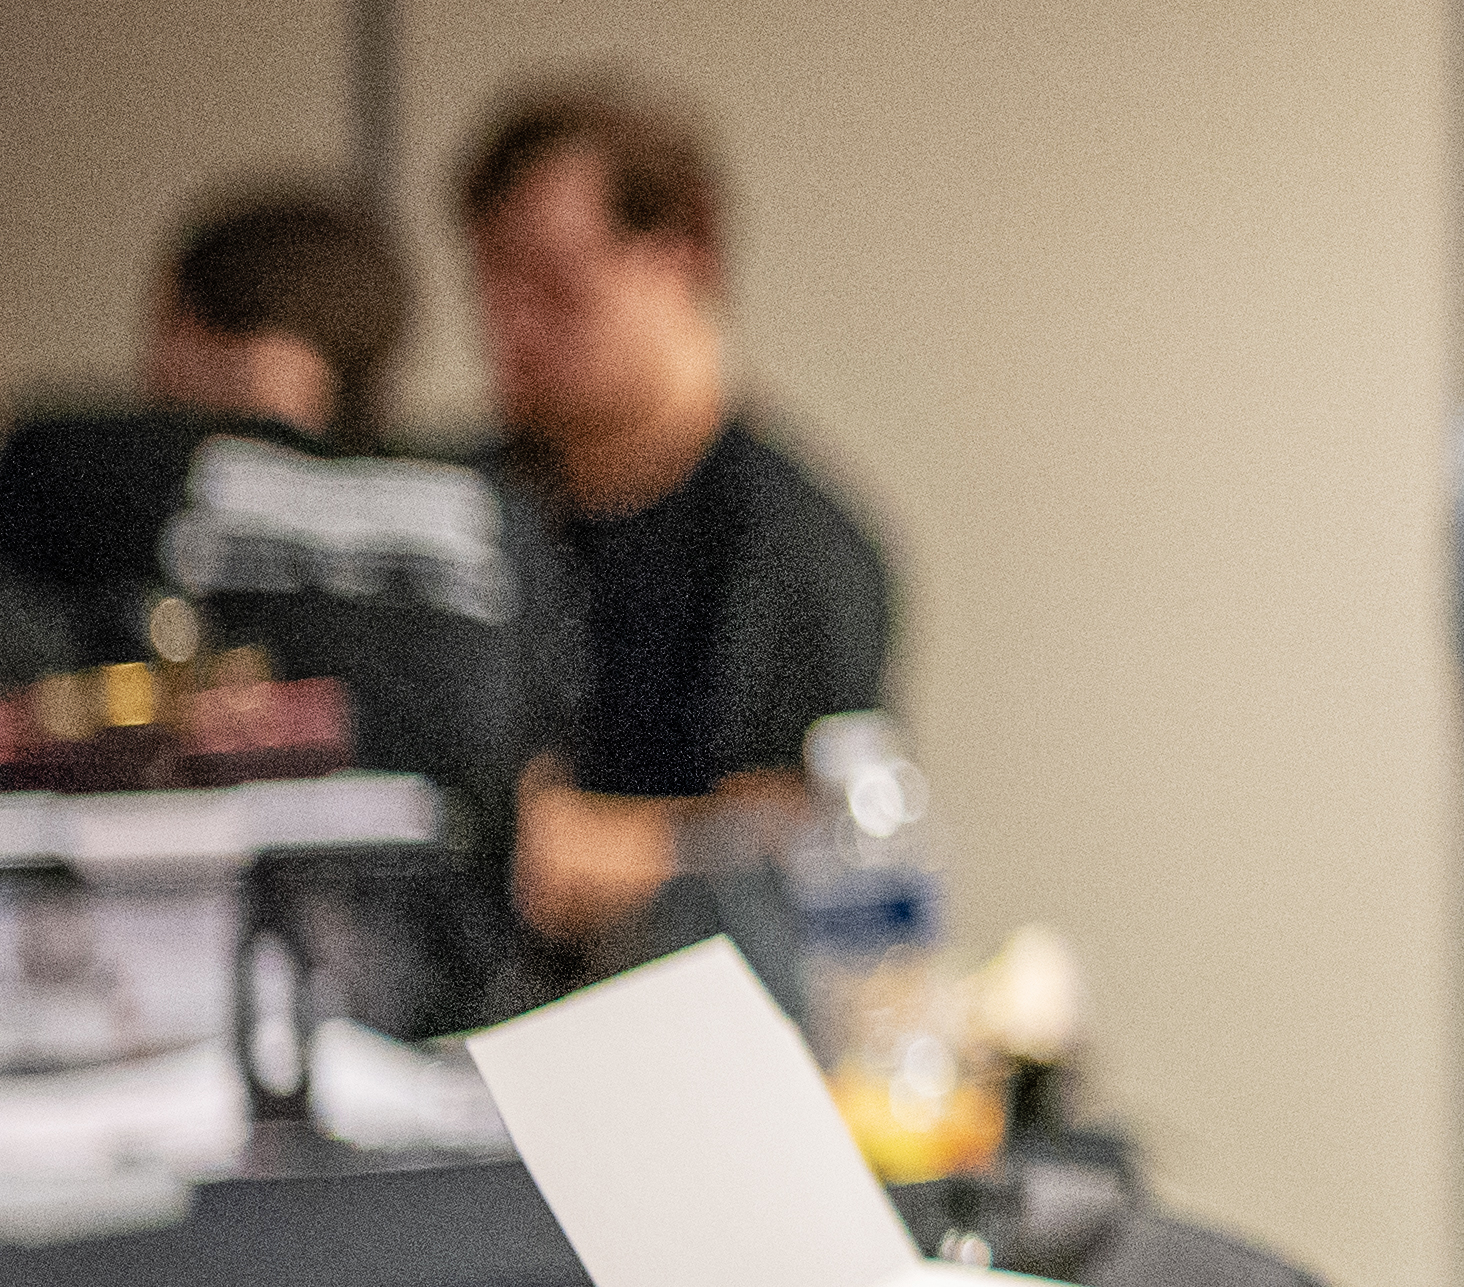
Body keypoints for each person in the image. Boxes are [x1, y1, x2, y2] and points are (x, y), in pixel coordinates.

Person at [0, 185, 559, 1019]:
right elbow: (535, 799)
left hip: (121, 1014)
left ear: (187, 323)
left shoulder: (71, 465)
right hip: (436, 1034)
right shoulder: (501, 514)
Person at [454, 75, 897, 962]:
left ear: (681, 254)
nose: (512, 329)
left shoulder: (799, 551)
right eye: (492, 287)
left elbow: (815, 843)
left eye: (554, 288)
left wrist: (597, 846)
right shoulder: (455, 507)